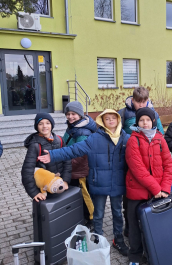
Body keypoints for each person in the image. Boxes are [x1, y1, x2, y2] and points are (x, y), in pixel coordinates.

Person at [38, 109, 130, 256]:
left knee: (117, 213)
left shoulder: (126, 139)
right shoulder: (95, 139)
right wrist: (53, 155)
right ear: (102, 121)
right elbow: (73, 150)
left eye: (114, 118)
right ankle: (98, 240)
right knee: (98, 214)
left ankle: (118, 239)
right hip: (99, 182)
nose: (111, 120)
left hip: (117, 184)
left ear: (118, 120)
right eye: (107, 119)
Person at [125, 108, 172, 265]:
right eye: (141, 120)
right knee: (134, 226)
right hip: (137, 192)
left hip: (159, 192)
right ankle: (135, 256)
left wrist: (165, 188)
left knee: (154, 226)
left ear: (153, 121)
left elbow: (168, 164)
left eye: (147, 119)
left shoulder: (160, 138)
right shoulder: (133, 140)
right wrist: (157, 189)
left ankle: (152, 253)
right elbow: (138, 170)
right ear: (137, 123)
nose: (145, 123)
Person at [21, 113, 72, 202]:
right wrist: (34, 193)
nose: (44, 126)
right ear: (37, 126)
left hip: (60, 184)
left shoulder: (59, 140)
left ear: (52, 124)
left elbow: (67, 161)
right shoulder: (35, 145)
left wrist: (66, 180)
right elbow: (27, 170)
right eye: (40, 124)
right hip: (44, 189)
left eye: (47, 123)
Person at [63, 101, 97, 228]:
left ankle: (92, 219)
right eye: (68, 114)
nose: (70, 117)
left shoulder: (83, 131)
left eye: (73, 114)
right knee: (78, 196)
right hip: (72, 168)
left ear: (80, 115)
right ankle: (82, 216)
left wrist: (64, 163)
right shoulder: (72, 127)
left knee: (85, 197)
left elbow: (80, 155)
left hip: (80, 170)